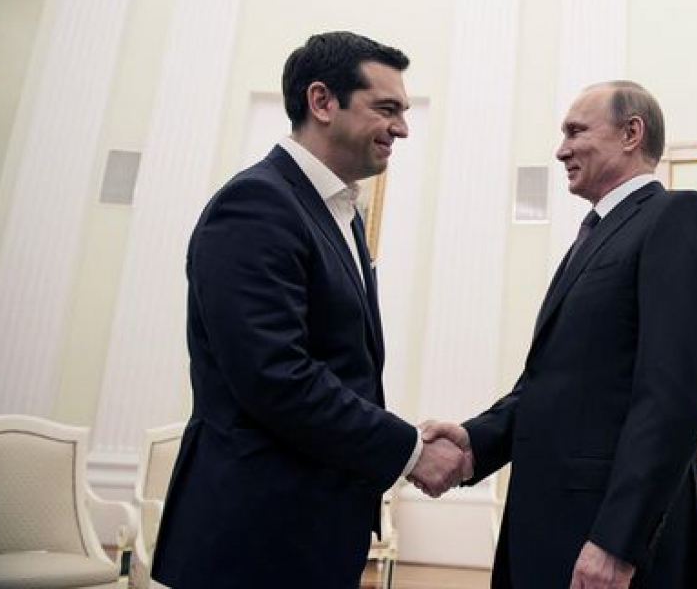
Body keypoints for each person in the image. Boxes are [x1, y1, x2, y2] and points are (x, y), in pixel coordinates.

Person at [152, 32, 468, 588]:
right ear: (322, 101)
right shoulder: (256, 204)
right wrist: (411, 451)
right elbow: (277, 376)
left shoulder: (341, 214)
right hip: (252, 538)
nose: (402, 127)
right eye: (387, 108)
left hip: (312, 529)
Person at [426, 80, 697, 589]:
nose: (561, 149)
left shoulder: (679, 217)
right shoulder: (592, 237)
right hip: (547, 526)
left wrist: (618, 542)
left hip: (606, 539)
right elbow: (556, 383)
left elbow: (674, 398)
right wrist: (475, 441)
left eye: (575, 131)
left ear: (631, 133)